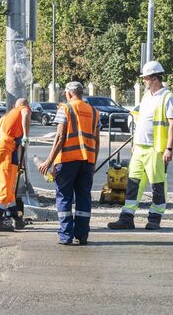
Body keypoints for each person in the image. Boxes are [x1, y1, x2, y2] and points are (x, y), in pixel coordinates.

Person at [108, 60, 173, 231]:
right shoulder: (147, 96)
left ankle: (155, 218)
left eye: (146, 78)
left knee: (158, 184)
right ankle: (127, 217)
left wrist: (169, 148)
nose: (144, 81)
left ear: (155, 78)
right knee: (133, 182)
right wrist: (134, 142)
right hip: (139, 147)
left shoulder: (168, 97)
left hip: (156, 148)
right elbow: (141, 121)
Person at [38, 82, 99, 245]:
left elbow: (59, 137)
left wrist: (49, 161)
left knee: (64, 196)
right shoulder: (94, 111)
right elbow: (97, 140)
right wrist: (93, 163)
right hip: (87, 161)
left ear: (69, 94)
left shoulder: (65, 109)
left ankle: (66, 236)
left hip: (67, 160)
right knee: (83, 197)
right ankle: (82, 234)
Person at [0, 98, 31, 232]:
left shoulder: (6, 116)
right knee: (7, 187)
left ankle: (16, 218)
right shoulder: (23, 109)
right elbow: (25, 114)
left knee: (7, 185)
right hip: (6, 149)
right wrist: (25, 135)